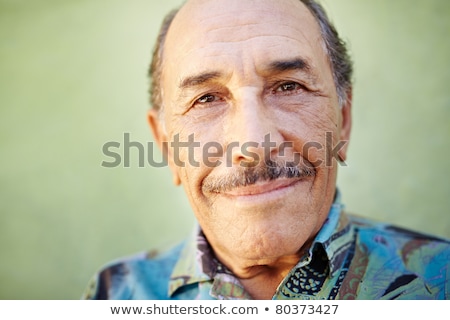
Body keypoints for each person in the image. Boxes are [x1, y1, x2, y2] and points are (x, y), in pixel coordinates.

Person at [83, 0, 450, 300]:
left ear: (343, 119)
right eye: (207, 98)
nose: (254, 144)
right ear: (166, 144)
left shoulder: (439, 283)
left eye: (288, 87)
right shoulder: (116, 294)